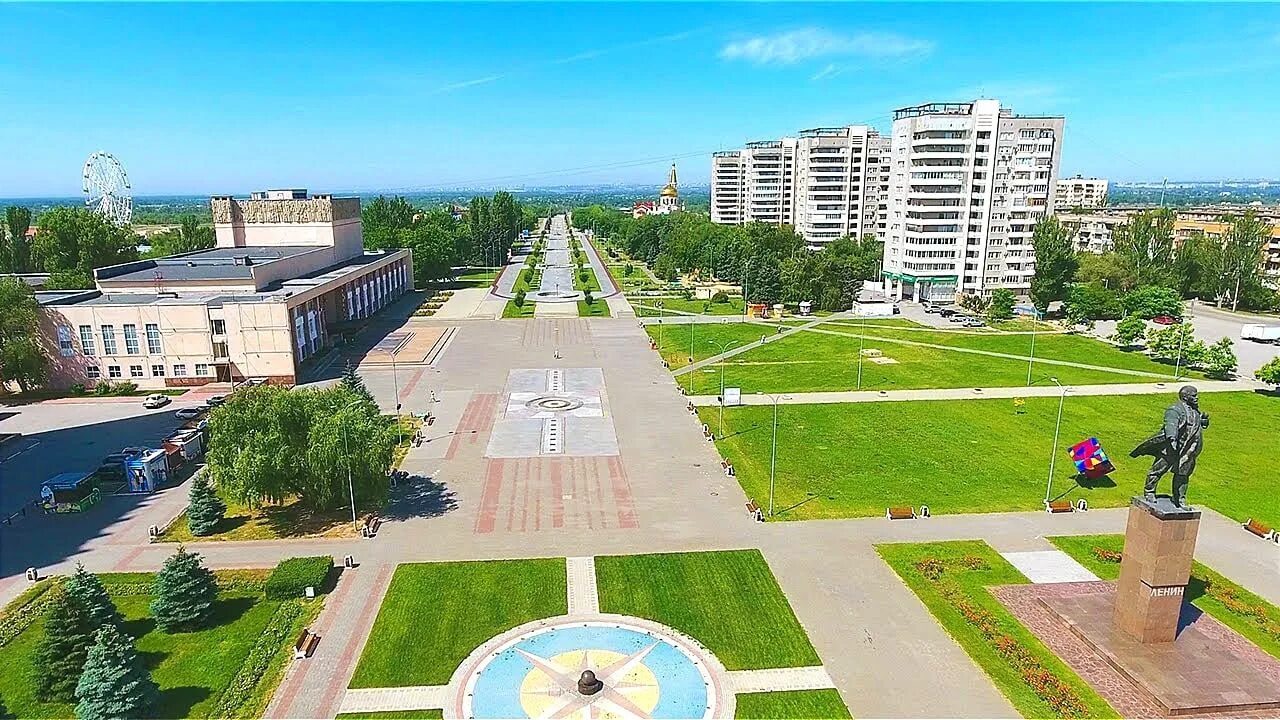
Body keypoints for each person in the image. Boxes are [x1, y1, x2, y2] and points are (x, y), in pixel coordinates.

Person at [1131, 386, 1209, 508]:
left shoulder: (1195, 411)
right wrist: (1172, 439)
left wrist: (1203, 421)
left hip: (1188, 449)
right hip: (1171, 447)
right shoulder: (1175, 409)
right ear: (1185, 397)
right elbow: (1170, 424)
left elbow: (1194, 425)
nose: (1196, 397)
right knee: (1157, 470)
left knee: (1183, 475)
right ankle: (1149, 492)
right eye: (1194, 395)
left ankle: (1179, 499)